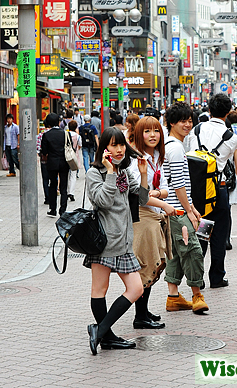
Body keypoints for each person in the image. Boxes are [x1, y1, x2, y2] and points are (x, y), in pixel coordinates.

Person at [85, 127, 149, 354]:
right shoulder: (94, 173)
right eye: (114, 145)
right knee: (99, 289)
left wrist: (142, 175)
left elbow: (141, 199)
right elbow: (102, 200)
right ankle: (107, 337)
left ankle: (100, 329)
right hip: (103, 242)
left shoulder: (124, 172)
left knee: (135, 288)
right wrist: (110, 172)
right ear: (104, 149)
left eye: (122, 144)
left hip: (123, 241)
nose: (120, 149)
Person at [186, 93, 237, 289]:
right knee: (219, 235)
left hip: (199, 189)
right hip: (219, 189)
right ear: (228, 112)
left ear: (209, 109)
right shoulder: (231, 138)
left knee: (201, 233)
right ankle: (217, 277)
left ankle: (197, 279)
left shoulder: (196, 129)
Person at [131, 116, 177, 329]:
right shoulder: (135, 161)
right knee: (147, 265)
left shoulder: (157, 157)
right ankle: (140, 316)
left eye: (156, 131)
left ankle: (143, 312)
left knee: (154, 264)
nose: (152, 135)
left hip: (154, 217)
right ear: (139, 135)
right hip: (141, 218)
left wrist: (157, 193)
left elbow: (165, 188)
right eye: (147, 131)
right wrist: (163, 202)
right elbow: (139, 196)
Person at [163, 102, 209, 313]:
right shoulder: (174, 147)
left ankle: (173, 296)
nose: (188, 125)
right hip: (176, 211)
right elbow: (178, 184)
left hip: (173, 208)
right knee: (192, 251)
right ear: (172, 123)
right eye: (183, 121)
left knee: (175, 252)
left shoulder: (172, 145)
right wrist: (189, 210)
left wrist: (191, 205)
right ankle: (196, 295)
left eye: (190, 121)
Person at [40, 113, 69, 217]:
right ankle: (63, 210)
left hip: (52, 162)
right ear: (58, 122)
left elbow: (44, 151)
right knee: (64, 186)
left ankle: (53, 209)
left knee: (52, 184)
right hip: (64, 162)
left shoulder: (46, 135)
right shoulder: (65, 133)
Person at [66, 120, 82, 202]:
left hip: (66, 156)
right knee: (73, 175)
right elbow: (80, 146)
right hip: (74, 157)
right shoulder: (78, 136)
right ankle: (71, 192)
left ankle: (65, 191)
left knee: (66, 175)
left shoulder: (65, 135)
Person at [36, 118, 51, 204]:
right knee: (53, 178)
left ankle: (47, 197)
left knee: (45, 179)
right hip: (53, 159)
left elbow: (38, 149)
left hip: (44, 160)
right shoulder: (54, 134)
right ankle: (53, 196)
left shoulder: (41, 134)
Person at [3, 113, 19, 177]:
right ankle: (12, 172)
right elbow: (5, 136)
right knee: (9, 159)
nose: (9, 120)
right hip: (7, 145)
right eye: (8, 119)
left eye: (10, 119)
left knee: (14, 158)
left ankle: (21, 168)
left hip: (13, 145)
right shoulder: (5, 127)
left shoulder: (15, 127)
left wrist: (18, 144)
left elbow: (18, 135)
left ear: (12, 119)